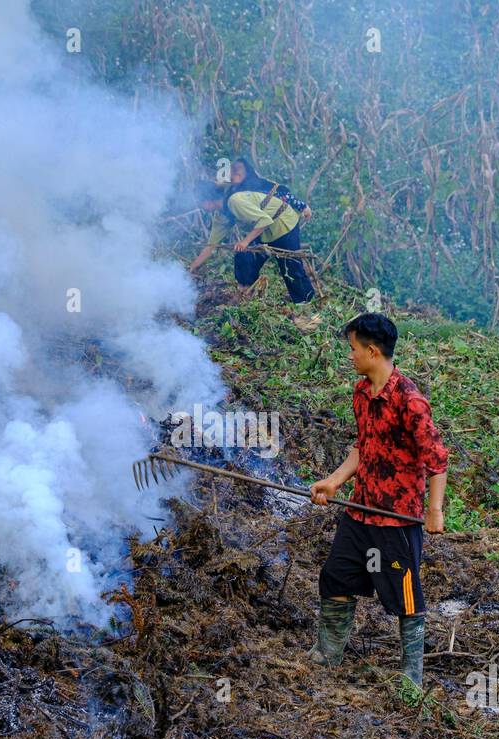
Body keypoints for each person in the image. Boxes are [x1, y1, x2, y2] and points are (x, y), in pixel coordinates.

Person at [307, 312, 449, 691]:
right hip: (361, 510)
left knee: (404, 594)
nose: (349, 356)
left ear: (372, 351)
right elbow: (363, 447)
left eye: (353, 349)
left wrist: (434, 510)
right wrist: (335, 481)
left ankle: (411, 677)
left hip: (396, 519)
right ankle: (327, 654)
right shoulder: (361, 392)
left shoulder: (410, 401)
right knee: (335, 576)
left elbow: (437, 460)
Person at [187, 158, 316, 306]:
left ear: (207, 201)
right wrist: (193, 267)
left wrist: (245, 241)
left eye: (200, 203)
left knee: (290, 267)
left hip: (284, 222)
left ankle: (306, 305)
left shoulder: (235, 201)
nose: (200, 206)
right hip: (266, 230)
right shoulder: (221, 215)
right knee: (244, 255)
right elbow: (211, 245)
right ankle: (246, 293)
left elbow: (265, 220)